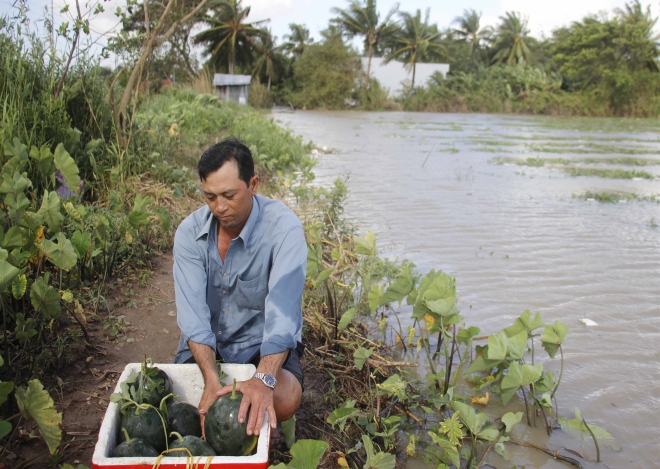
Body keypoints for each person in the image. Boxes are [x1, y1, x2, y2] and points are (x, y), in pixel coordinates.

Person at [172, 138, 306, 440]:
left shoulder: (284, 231)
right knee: (180, 401)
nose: (219, 207)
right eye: (210, 197)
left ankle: (255, 408)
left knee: (284, 399)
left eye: (229, 195)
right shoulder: (189, 234)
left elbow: (283, 318)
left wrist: (262, 378)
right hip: (207, 347)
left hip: (260, 347)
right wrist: (210, 378)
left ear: (253, 184)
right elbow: (193, 318)